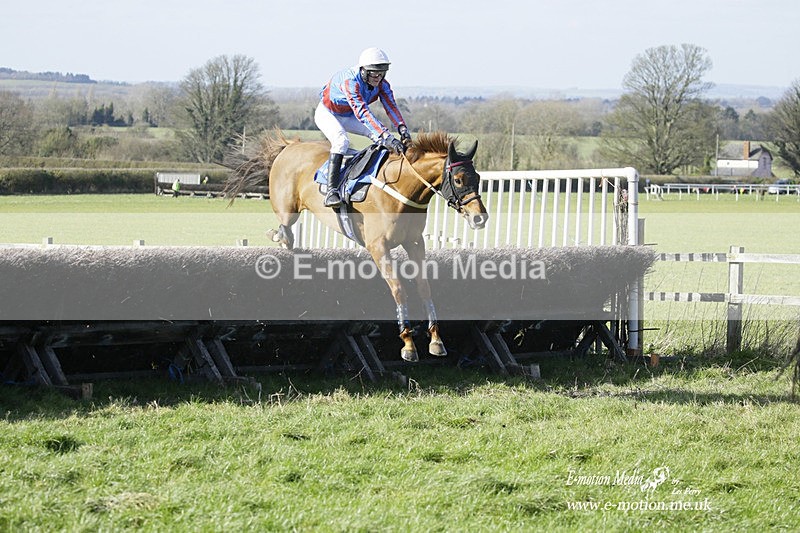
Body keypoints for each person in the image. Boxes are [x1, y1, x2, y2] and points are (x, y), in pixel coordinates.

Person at [315, 47, 412, 208]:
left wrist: (402, 129)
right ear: (363, 71)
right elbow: (362, 112)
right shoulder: (350, 82)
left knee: (379, 138)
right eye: (374, 73)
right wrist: (387, 136)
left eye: (382, 73)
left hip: (349, 114)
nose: (378, 77)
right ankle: (332, 191)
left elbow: (391, 106)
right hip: (328, 113)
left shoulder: (382, 84)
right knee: (341, 141)